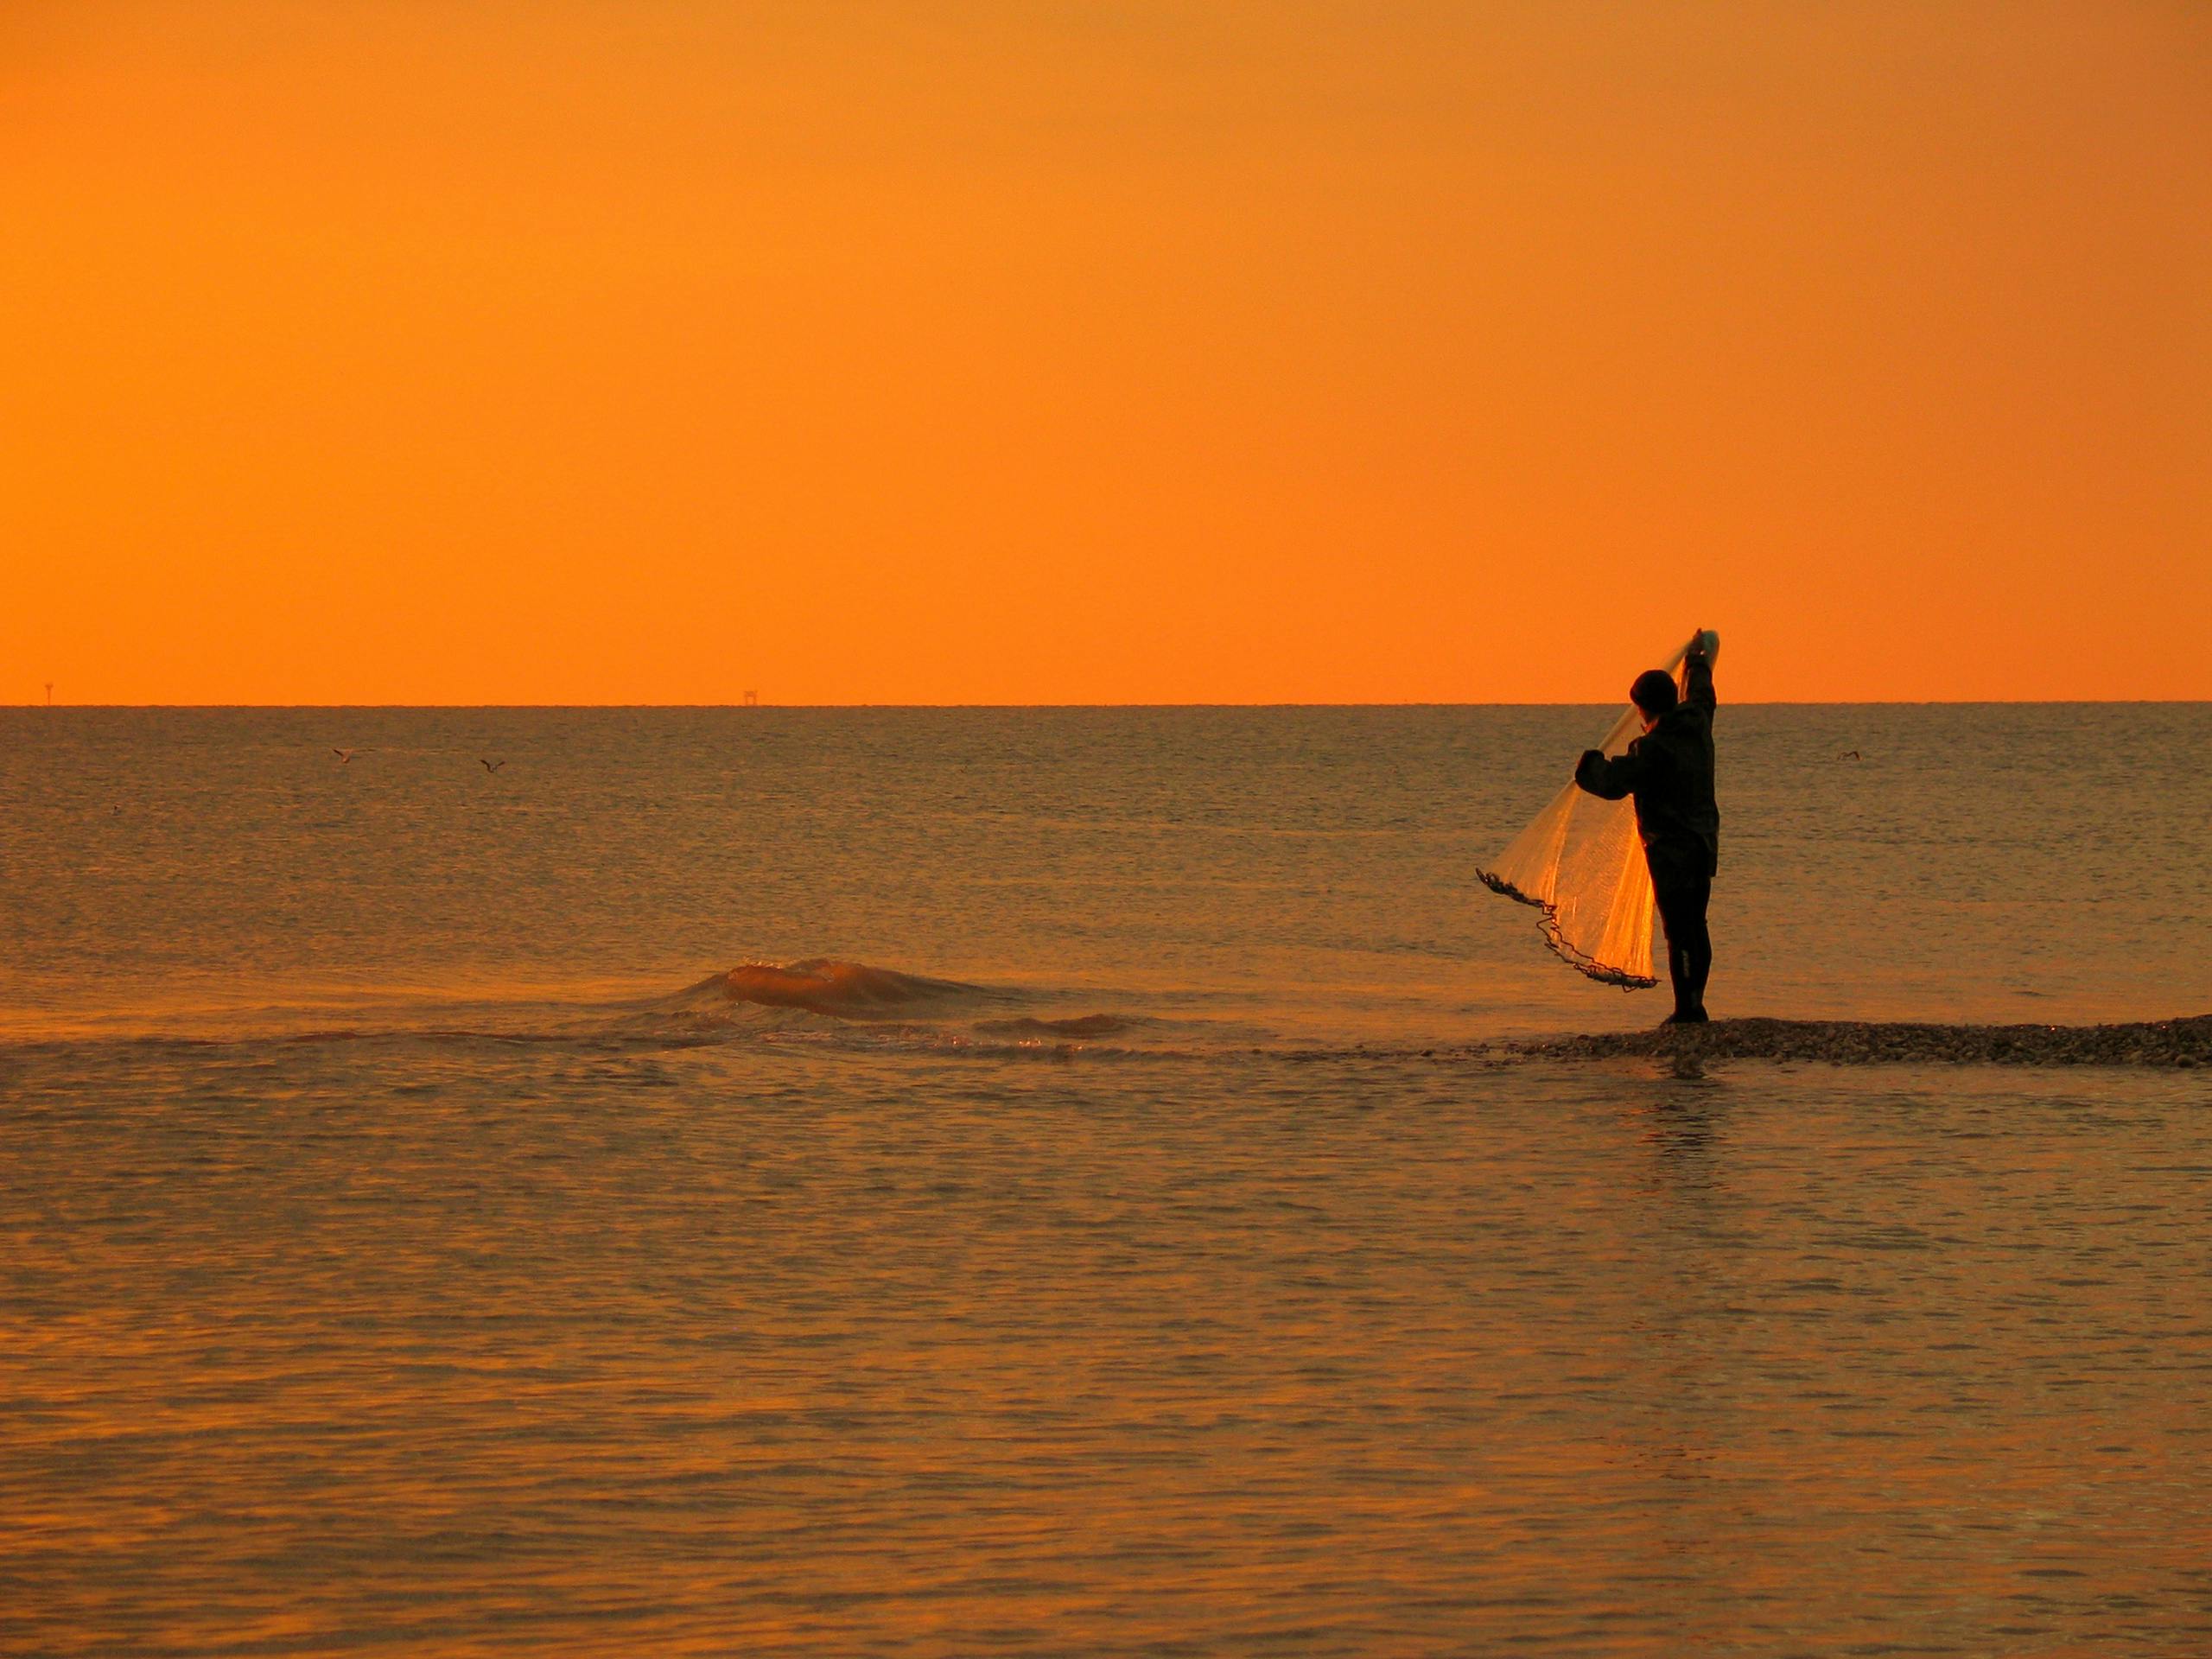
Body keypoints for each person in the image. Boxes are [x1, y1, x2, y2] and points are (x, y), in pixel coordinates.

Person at [1573, 632, 1719, 1024]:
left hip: (1671, 851)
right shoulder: (1697, 722)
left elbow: (1612, 783)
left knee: (1679, 931)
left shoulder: (1651, 749)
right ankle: (1694, 1003)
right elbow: (1703, 694)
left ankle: (1688, 1010)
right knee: (1695, 925)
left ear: (1643, 708)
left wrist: (1588, 765)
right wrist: (1698, 664)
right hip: (1703, 845)